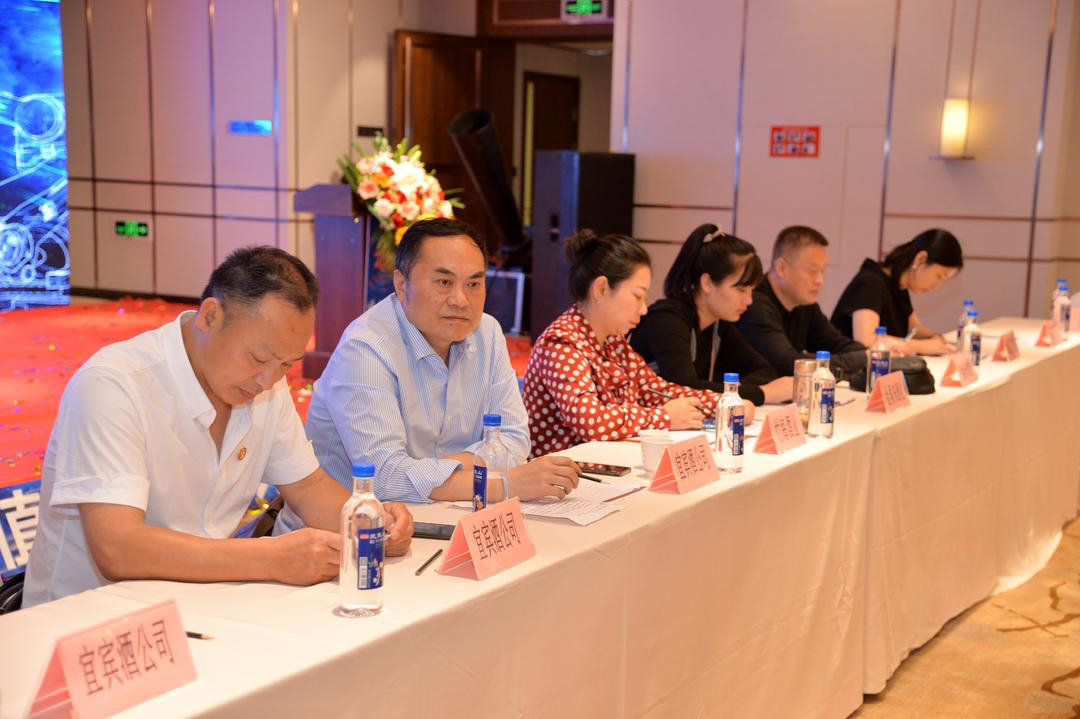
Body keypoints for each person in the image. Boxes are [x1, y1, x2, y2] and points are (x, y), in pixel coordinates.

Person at [23, 247, 414, 607]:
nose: (268, 380)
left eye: (285, 365)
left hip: (201, 606)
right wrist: (269, 558)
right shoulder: (114, 384)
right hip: (89, 623)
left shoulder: (264, 385)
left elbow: (308, 488)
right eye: (259, 357)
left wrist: (370, 524)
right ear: (210, 316)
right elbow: (118, 548)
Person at [291, 218, 580, 511]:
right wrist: (500, 483)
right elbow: (386, 477)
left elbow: (514, 440)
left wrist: (431, 472)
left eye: (473, 283)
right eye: (444, 282)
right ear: (401, 285)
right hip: (352, 528)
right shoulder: (366, 347)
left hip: (448, 516)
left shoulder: (487, 333)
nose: (460, 300)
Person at [523, 230, 755, 458]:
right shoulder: (561, 343)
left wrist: (724, 403)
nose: (644, 309)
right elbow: (591, 421)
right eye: (637, 296)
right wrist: (663, 417)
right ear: (601, 289)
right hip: (564, 474)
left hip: (605, 464)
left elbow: (655, 389)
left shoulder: (613, 341)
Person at [630, 224, 793, 405]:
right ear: (707, 283)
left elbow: (764, 370)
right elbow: (684, 388)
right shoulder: (667, 321)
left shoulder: (717, 323)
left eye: (751, 291)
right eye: (741, 290)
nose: (749, 300)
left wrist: (734, 392)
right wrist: (760, 394)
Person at [736, 225, 866, 377]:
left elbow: (839, 344)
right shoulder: (754, 304)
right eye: (812, 271)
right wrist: (865, 357)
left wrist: (865, 355)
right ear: (781, 268)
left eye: (823, 271)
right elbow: (789, 364)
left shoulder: (804, 304)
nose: (820, 280)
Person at [831, 229, 963, 354]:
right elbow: (867, 340)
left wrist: (937, 339)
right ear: (920, 259)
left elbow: (915, 330)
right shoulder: (871, 282)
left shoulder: (899, 285)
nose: (937, 286)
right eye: (939, 276)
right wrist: (924, 346)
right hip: (843, 367)